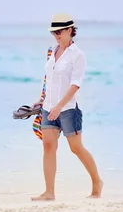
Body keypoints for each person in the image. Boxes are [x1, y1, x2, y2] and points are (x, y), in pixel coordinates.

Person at [31, 13, 103, 201]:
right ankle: (49, 192)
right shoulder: (51, 52)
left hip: (69, 108)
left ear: (70, 30)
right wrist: (41, 100)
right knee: (48, 146)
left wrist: (59, 106)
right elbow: (49, 79)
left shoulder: (77, 55)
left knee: (76, 148)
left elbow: (75, 84)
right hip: (48, 107)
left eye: (59, 32)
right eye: (54, 32)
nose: (56, 35)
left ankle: (97, 182)